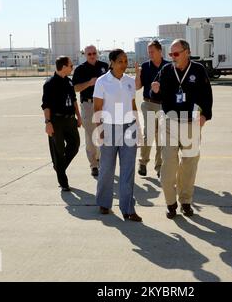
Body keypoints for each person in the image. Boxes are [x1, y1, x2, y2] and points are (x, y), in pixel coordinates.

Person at [151, 39, 213, 219]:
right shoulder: (166, 70)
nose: (172, 57)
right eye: (170, 54)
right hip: (169, 122)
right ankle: (171, 203)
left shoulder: (198, 70)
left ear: (187, 52)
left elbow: (207, 95)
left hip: (191, 123)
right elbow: (155, 92)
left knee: (189, 164)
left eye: (176, 54)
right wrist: (155, 89)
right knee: (168, 165)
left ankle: (185, 201)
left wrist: (205, 115)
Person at [93, 49, 142, 222]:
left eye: (126, 60)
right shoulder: (102, 81)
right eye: (120, 61)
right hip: (109, 127)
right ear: (112, 62)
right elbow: (97, 107)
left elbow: (133, 104)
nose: (124, 64)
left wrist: (138, 127)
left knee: (128, 170)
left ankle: (128, 208)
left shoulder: (129, 81)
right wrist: (100, 130)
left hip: (129, 127)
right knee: (107, 168)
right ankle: (104, 203)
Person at [42, 56, 82, 192]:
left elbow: (74, 100)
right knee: (58, 150)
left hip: (70, 120)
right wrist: (48, 123)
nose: (72, 68)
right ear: (64, 67)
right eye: (71, 66)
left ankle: (59, 167)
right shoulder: (49, 84)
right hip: (56, 121)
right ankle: (63, 181)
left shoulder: (69, 82)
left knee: (75, 145)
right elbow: (46, 105)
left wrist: (79, 116)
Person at [73, 45, 109, 177]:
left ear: (97, 53)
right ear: (85, 55)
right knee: (90, 135)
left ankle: (102, 160)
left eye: (94, 53)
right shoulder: (80, 69)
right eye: (89, 54)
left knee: (104, 134)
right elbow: (75, 88)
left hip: (105, 104)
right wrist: (89, 83)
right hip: (88, 104)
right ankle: (93, 164)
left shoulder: (105, 66)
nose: (92, 55)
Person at [135, 40, 170, 178]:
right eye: (148, 52)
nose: (150, 54)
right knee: (148, 134)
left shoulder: (168, 66)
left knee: (161, 137)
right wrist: (138, 74)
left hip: (164, 105)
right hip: (148, 104)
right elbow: (137, 87)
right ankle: (143, 163)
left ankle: (159, 167)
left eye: (152, 52)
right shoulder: (145, 66)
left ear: (160, 51)